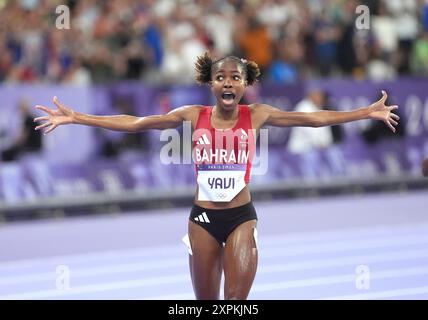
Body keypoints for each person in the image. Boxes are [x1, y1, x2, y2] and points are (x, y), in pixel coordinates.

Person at [33, 52, 399, 300]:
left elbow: (314, 118)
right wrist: (78, 117)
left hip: (241, 216)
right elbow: (136, 124)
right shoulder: (193, 115)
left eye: (235, 77)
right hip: (203, 220)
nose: (227, 83)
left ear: (245, 84)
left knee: (236, 302)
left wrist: (364, 112)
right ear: (211, 83)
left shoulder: (257, 114)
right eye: (220, 77)